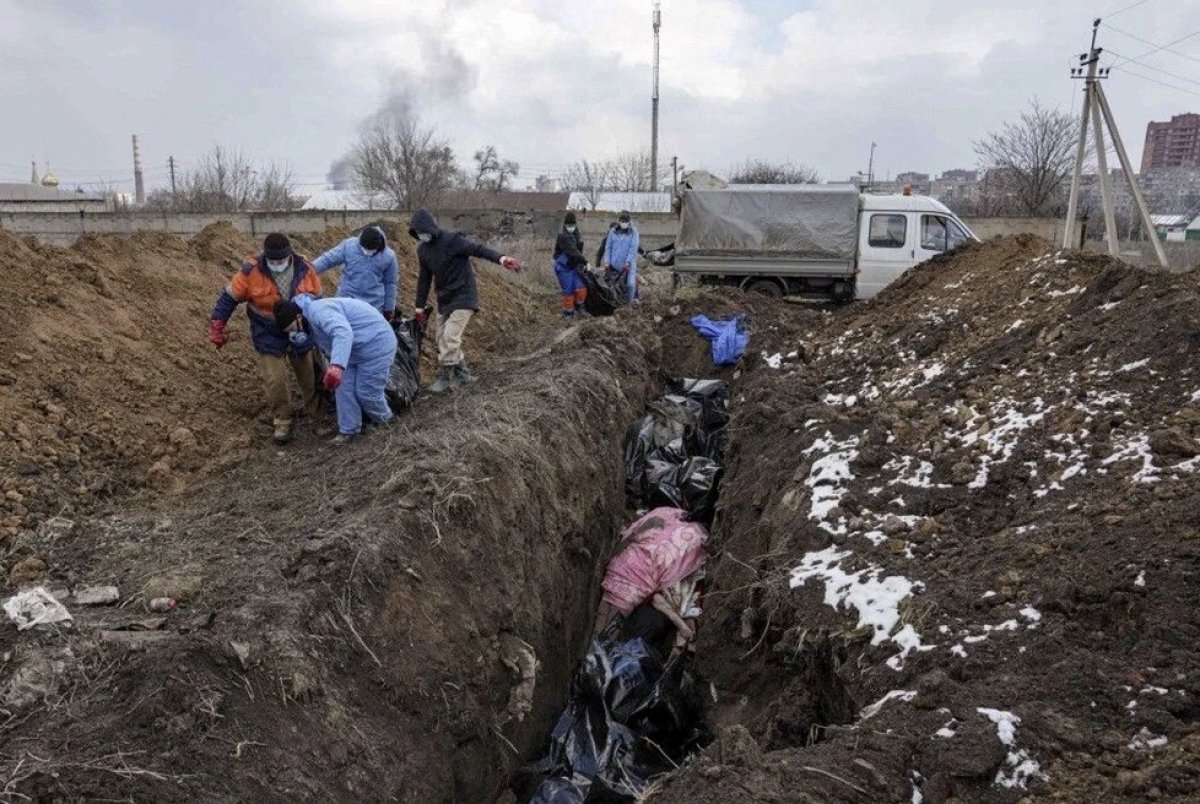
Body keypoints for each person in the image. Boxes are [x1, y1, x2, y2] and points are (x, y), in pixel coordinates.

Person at [209, 233, 324, 445]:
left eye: (281, 261)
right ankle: (283, 421)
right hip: (267, 330)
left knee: (309, 375)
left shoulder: (305, 268)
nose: (277, 265)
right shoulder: (251, 271)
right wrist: (218, 324)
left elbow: (319, 299)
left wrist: (319, 328)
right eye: (273, 261)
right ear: (266, 257)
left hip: (300, 326)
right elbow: (229, 297)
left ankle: (317, 417)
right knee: (276, 379)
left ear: (289, 254)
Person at [409, 208, 522, 393]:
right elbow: (424, 279)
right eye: (418, 233)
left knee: (450, 337)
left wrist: (501, 258)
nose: (422, 235)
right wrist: (419, 307)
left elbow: (478, 249)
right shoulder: (423, 250)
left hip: (464, 295)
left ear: (431, 227)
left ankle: (445, 377)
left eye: (423, 231)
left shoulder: (452, 240)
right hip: (444, 298)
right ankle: (463, 374)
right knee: (441, 340)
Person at [273, 294, 397, 445]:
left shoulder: (319, 311)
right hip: (354, 350)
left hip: (376, 344)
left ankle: (387, 423)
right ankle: (348, 431)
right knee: (343, 388)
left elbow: (342, 333)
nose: (293, 333)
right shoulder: (309, 322)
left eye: (292, 328)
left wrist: (337, 366)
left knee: (367, 391)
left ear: (299, 317)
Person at [312, 225, 400, 318]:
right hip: (346, 300)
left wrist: (389, 308)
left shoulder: (389, 256)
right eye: (365, 249)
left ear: (378, 246)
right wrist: (308, 269)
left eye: (371, 251)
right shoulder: (349, 246)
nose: (367, 252)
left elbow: (390, 283)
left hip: (373, 305)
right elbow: (328, 260)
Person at [553, 211, 589, 320]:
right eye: (569, 225)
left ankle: (579, 307)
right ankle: (568, 313)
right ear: (565, 225)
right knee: (569, 290)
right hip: (563, 266)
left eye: (572, 225)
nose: (571, 227)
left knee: (581, 287)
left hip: (574, 265)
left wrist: (581, 263)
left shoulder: (576, 234)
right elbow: (572, 250)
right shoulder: (562, 237)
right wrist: (585, 261)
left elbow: (578, 250)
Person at [603, 210, 640, 303]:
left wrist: (628, 263)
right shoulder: (613, 231)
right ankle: (618, 302)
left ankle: (629, 304)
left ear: (629, 222)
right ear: (619, 221)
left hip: (629, 265)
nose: (623, 223)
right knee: (614, 285)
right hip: (614, 264)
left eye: (625, 221)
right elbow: (608, 247)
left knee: (630, 285)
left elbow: (633, 248)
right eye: (622, 221)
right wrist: (607, 262)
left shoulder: (633, 232)